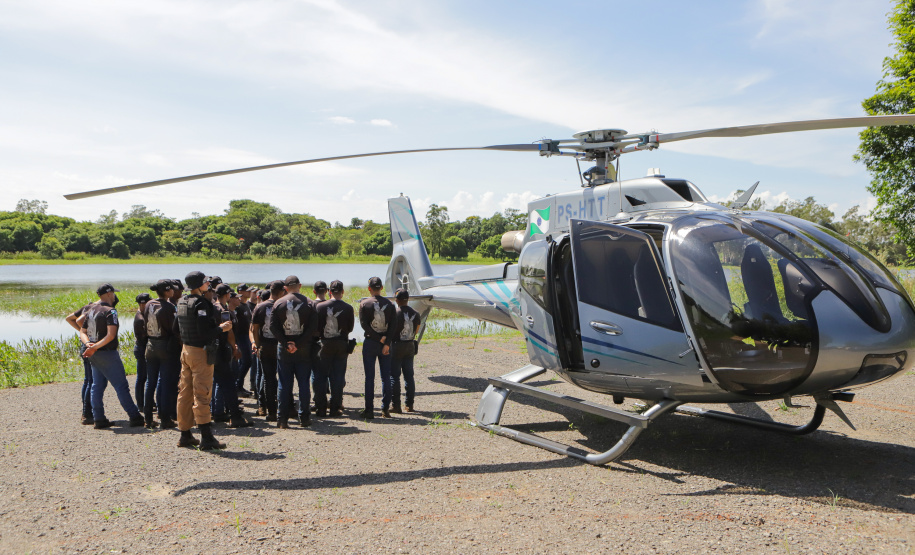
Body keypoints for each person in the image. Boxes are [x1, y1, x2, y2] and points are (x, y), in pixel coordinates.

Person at [174, 271, 233, 450]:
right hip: (200, 352)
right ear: (199, 285)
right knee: (202, 393)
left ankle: (185, 434)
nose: (208, 285)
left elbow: (175, 328)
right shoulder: (201, 303)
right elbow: (204, 332)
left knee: (184, 393)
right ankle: (207, 438)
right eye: (206, 282)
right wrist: (221, 328)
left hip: (186, 350)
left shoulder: (181, 301)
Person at [80, 283, 144, 429]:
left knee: (97, 386)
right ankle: (134, 416)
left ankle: (99, 418)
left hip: (94, 353)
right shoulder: (110, 311)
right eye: (113, 293)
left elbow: (82, 331)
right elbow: (111, 335)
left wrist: (89, 345)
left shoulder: (91, 309)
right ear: (109, 294)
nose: (114, 296)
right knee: (121, 385)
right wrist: (94, 346)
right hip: (107, 353)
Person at [270, 275, 318, 429]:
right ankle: (304, 417)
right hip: (304, 348)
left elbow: (272, 327)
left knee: (284, 384)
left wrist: (286, 343)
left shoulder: (278, 303)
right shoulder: (310, 303)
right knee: (304, 383)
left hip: (284, 348)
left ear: (285, 288)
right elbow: (313, 328)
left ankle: (282, 419)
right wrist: (299, 344)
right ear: (300, 285)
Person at [211, 285, 252, 428]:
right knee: (225, 382)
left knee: (218, 381)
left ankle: (218, 410)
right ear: (227, 295)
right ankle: (222, 412)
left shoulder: (213, 307)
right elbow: (228, 331)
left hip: (215, 348)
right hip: (222, 348)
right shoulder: (222, 310)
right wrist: (234, 347)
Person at [315, 280, 354, 417]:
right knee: (337, 377)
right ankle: (335, 408)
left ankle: (320, 408)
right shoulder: (348, 308)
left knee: (321, 377)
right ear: (342, 292)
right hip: (341, 344)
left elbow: (316, 327)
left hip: (324, 344)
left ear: (329, 292)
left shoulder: (320, 307)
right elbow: (350, 328)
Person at [359, 276, 395, 419]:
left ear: (369, 288)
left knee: (369, 377)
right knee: (386, 377)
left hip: (370, 342)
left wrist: (377, 337)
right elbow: (393, 326)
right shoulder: (390, 304)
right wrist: (386, 343)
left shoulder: (364, 304)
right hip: (385, 343)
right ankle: (385, 409)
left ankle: (369, 410)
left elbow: (364, 325)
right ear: (381, 288)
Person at [143, 279, 177, 429]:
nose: (174, 291)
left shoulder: (149, 304)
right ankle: (165, 418)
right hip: (164, 345)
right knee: (164, 382)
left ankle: (148, 418)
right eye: (172, 289)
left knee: (150, 382)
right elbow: (174, 328)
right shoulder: (169, 307)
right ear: (167, 291)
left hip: (150, 344)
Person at [252, 281, 283, 422]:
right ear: (282, 291)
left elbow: (255, 329)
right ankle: (285, 409)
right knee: (284, 377)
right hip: (280, 345)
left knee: (268, 379)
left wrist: (258, 345)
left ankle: (271, 411)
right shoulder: (283, 305)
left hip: (265, 345)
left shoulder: (260, 306)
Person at [66, 299, 98, 425]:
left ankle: (86, 412)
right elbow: (77, 320)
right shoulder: (95, 308)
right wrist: (84, 332)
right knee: (91, 381)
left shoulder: (87, 306)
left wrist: (82, 332)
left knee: (87, 380)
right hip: (89, 346)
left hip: (85, 345)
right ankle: (87, 414)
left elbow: (69, 318)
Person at [390, 288, 421, 413]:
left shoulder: (394, 313)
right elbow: (416, 330)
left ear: (396, 300)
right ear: (408, 299)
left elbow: (390, 331)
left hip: (396, 346)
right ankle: (409, 405)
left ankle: (396, 405)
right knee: (409, 376)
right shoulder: (416, 313)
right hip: (410, 345)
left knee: (394, 376)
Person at [310, 281, 329, 411]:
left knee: (315, 373)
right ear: (327, 291)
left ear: (314, 291)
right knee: (328, 372)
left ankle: (318, 399)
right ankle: (329, 399)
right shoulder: (330, 305)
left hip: (313, 342)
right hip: (328, 340)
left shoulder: (310, 305)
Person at [234, 284, 255, 397]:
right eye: (247, 291)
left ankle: (239, 386)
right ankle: (237, 386)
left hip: (246, 336)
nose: (249, 292)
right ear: (240, 292)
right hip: (240, 337)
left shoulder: (245, 305)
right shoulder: (238, 307)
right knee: (246, 361)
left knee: (247, 362)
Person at [133, 293, 151, 413]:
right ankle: (140, 404)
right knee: (142, 377)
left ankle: (146, 402)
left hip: (142, 348)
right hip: (141, 349)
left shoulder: (143, 314)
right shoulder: (140, 318)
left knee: (145, 377)